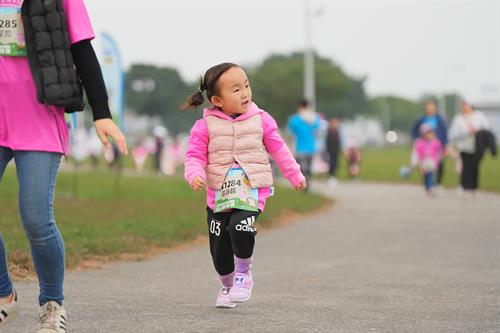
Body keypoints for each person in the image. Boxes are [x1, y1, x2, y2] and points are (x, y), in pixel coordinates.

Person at [0, 0, 127, 331]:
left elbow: (81, 51)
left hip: (38, 117)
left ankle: (52, 304)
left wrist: (101, 112)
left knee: (36, 219)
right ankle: (4, 296)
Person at [183, 63, 306, 308]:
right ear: (217, 99)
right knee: (219, 250)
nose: (246, 93)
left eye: (247, 85)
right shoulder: (204, 126)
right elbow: (194, 156)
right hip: (218, 197)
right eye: (236, 90)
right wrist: (194, 174)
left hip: (251, 191)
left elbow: (279, 149)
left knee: (240, 226)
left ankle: (243, 274)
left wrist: (295, 176)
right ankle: (227, 286)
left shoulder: (262, 120)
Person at [449, 100, 491, 196]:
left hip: (477, 146)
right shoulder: (458, 118)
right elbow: (453, 134)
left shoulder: (479, 116)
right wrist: (466, 132)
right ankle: (463, 185)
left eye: (466, 105)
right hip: (464, 146)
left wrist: (477, 131)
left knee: (475, 166)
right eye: (463, 105)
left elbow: (487, 128)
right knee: (464, 166)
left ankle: (474, 186)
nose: (464, 107)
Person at [411, 99, 448, 184]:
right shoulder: (421, 120)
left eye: (432, 106)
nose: (430, 108)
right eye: (428, 107)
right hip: (425, 146)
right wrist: (415, 141)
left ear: (435, 108)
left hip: (437, 146)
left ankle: (438, 183)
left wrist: (445, 145)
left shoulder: (440, 120)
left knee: (439, 164)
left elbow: (444, 133)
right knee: (424, 165)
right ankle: (427, 183)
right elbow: (414, 132)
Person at [287, 99, 320, 188]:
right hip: (311, 147)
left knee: (301, 169)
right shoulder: (315, 119)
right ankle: (308, 184)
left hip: (299, 148)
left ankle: (303, 185)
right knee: (308, 168)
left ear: (299, 107)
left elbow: (290, 134)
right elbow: (317, 132)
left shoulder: (294, 120)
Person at [413, 124, 443, 196]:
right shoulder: (419, 143)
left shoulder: (436, 142)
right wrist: (420, 165)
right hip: (423, 162)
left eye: (429, 133)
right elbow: (418, 155)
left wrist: (437, 162)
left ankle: (431, 188)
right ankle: (427, 188)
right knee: (425, 176)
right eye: (426, 133)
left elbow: (439, 153)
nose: (428, 135)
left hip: (433, 162)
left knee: (431, 175)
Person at [325, 118, 342, 186]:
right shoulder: (330, 132)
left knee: (336, 163)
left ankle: (333, 175)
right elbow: (328, 143)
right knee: (331, 163)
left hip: (336, 151)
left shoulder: (337, 132)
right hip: (331, 151)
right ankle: (331, 176)